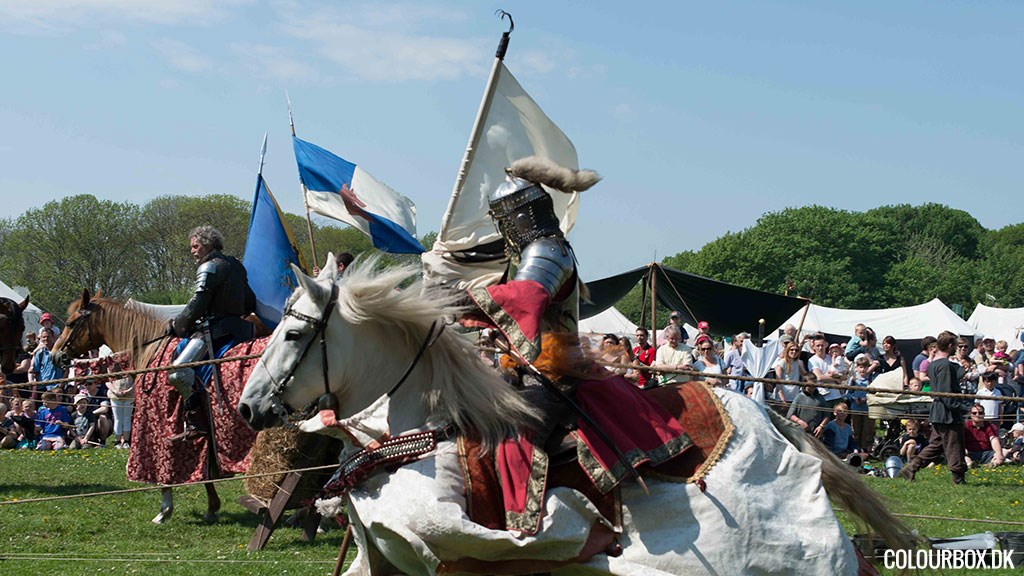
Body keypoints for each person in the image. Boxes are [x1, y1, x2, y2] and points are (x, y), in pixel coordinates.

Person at [167, 225, 256, 440]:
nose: (192, 251)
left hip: (216, 331)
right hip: (242, 330)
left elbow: (198, 302)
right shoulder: (236, 265)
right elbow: (249, 302)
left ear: (207, 244)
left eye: (195, 246)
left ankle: (197, 423)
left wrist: (178, 325)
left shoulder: (209, 267)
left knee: (178, 372)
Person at [901, 331, 968, 484]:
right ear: (950, 345)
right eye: (955, 346)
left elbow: (944, 383)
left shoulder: (935, 364)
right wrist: (964, 408)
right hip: (947, 413)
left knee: (936, 445)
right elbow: (946, 393)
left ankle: (912, 467)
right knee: (954, 445)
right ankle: (958, 478)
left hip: (939, 411)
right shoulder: (944, 365)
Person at [847, 355, 875, 452]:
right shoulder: (853, 379)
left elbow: (874, 394)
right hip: (856, 408)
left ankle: (865, 448)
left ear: (868, 367)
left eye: (865, 367)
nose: (862, 370)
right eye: (860, 367)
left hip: (867, 409)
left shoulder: (871, 379)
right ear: (857, 368)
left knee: (867, 429)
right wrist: (854, 398)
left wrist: (865, 399)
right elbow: (848, 394)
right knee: (856, 428)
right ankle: (856, 447)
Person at [963, 403, 1004, 468]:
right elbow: (960, 441)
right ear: (970, 415)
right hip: (970, 453)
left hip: (987, 453)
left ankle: (993, 464)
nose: (977, 415)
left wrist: (998, 454)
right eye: (974, 413)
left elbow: (994, 440)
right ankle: (970, 464)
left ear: (984, 414)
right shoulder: (965, 426)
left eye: (980, 413)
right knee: (961, 455)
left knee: (1002, 452)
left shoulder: (990, 426)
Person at [106, 359, 134, 449]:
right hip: (115, 396)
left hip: (129, 395)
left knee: (126, 418)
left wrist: (129, 390)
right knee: (118, 418)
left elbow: (137, 379)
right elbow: (107, 381)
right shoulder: (111, 366)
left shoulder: (131, 364)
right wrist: (115, 391)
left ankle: (126, 441)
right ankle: (118, 442)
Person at [807, 335, 842, 406]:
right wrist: (836, 379)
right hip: (823, 397)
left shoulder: (832, 358)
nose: (820, 348)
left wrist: (838, 377)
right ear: (813, 347)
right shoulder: (812, 360)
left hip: (837, 395)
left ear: (826, 345)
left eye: (822, 345)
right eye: (818, 346)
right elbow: (819, 377)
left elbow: (843, 375)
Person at [29, 329, 64, 398]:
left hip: (57, 387)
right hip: (43, 387)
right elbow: (35, 371)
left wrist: (61, 385)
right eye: (44, 337)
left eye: (48, 336)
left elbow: (66, 369)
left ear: (53, 337)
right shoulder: (40, 353)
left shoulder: (61, 352)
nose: (46, 339)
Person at [772, 342, 805, 406]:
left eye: (796, 350)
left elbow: (805, 376)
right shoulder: (781, 363)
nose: (794, 352)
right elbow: (778, 383)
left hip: (795, 397)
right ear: (787, 350)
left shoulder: (799, 363)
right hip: (783, 397)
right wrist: (783, 399)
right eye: (791, 349)